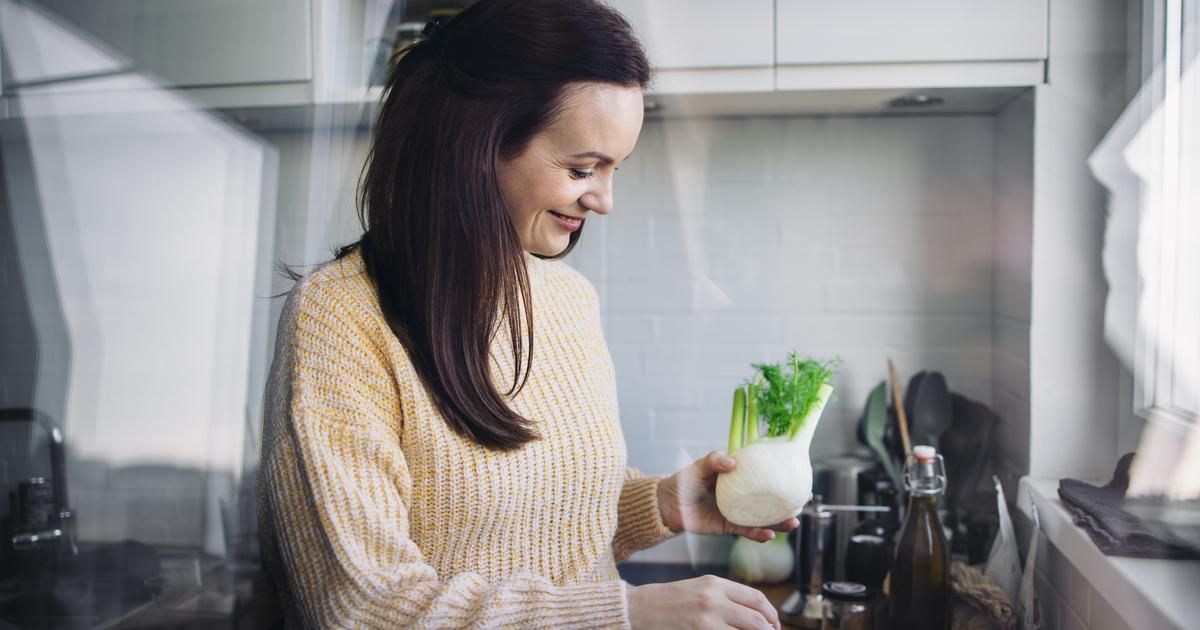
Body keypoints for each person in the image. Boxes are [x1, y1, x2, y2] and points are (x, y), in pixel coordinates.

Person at [257, 0, 797, 627]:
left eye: (614, 168)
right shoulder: (342, 318)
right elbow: (367, 608)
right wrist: (627, 615)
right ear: (478, 146)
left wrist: (662, 504)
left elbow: (541, 530)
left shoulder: (569, 300)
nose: (604, 199)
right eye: (581, 169)